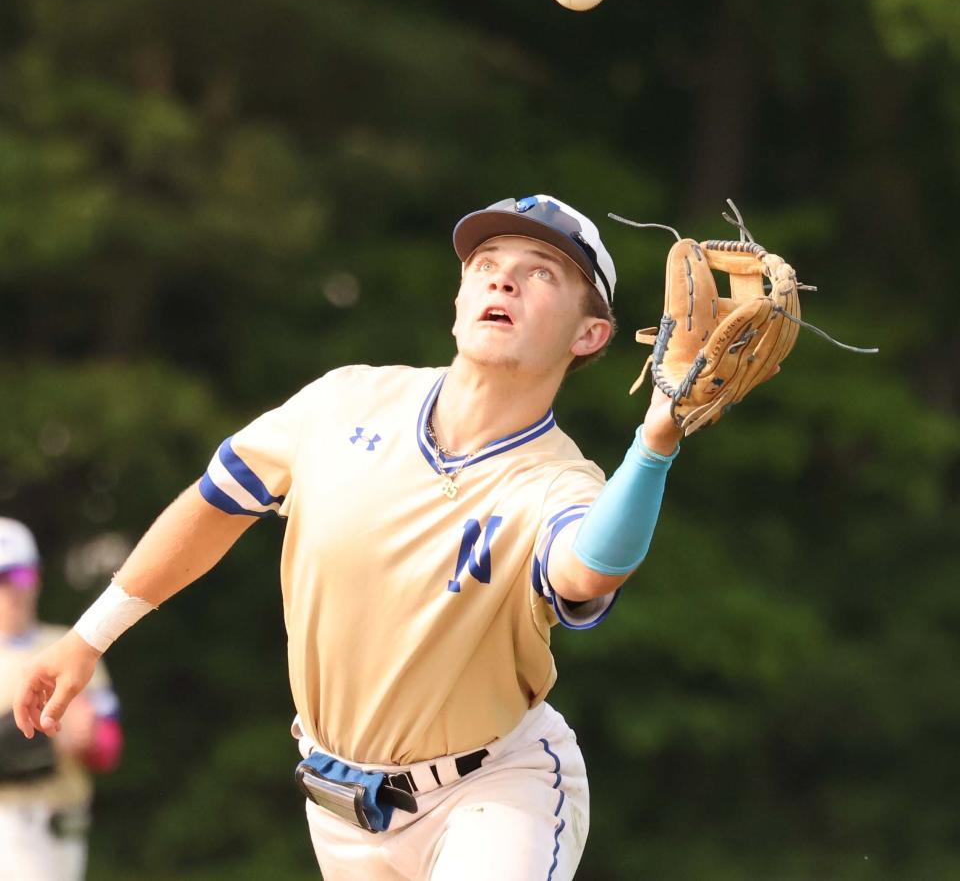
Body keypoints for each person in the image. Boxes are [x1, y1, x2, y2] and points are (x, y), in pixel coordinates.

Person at [13, 194, 682, 880]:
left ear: (590, 334)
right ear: (458, 300)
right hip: (341, 806)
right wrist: (89, 635)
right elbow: (215, 505)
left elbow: (588, 569)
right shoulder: (345, 402)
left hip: (494, 790)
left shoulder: (558, 481)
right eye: (485, 263)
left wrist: (655, 443)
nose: (502, 278)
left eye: (541, 270)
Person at [0, 517, 123, 881]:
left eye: (21, 576)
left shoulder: (72, 647)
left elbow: (108, 747)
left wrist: (90, 738)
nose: (13, 590)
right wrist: (47, 733)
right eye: (2, 579)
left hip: (63, 827)